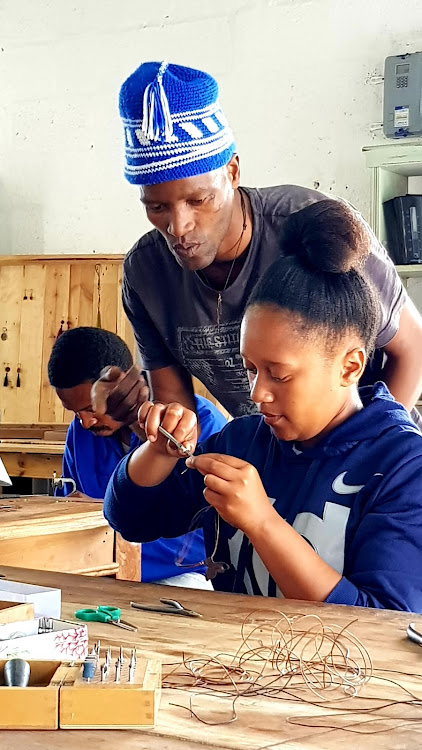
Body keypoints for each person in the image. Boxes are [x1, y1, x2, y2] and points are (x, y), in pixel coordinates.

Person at [104, 200, 422, 611]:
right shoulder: (242, 443)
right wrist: (158, 452)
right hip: (236, 671)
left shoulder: (402, 468)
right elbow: (130, 518)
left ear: (350, 366)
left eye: (280, 374)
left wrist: (262, 523)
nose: (257, 394)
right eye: (251, 369)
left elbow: (384, 620)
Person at [95, 60, 422, 425]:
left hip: (377, 457)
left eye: (198, 200)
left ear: (232, 171)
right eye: (157, 207)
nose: (178, 227)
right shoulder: (146, 274)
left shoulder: (310, 225)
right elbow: (177, 412)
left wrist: (365, 451)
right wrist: (154, 426)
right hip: (275, 461)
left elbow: (413, 349)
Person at [47, 326, 226, 588]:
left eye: (90, 408)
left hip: (181, 573)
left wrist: (103, 518)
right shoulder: (81, 432)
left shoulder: (197, 424)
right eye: (74, 412)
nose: (85, 422)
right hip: (98, 569)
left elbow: (206, 535)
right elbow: (68, 508)